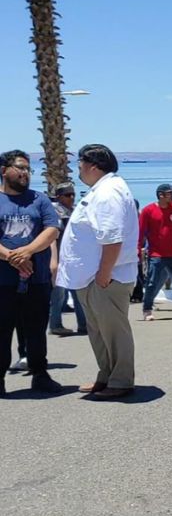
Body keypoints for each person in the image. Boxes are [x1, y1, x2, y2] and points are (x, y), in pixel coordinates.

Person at [57, 144, 139, 399]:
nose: (78, 169)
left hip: (105, 277)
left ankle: (121, 379)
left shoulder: (108, 192)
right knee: (99, 331)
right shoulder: (102, 190)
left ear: (93, 166)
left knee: (113, 331)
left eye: (80, 164)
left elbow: (112, 237)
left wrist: (104, 272)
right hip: (94, 276)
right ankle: (106, 375)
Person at [0, 149, 62, 396]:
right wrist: (11, 257)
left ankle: (40, 374)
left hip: (36, 280)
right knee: (2, 331)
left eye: (28, 169)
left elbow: (52, 229)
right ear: (4, 171)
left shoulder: (39, 199)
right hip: (3, 281)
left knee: (36, 329)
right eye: (20, 167)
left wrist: (26, 252)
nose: (25, 173)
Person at [138, 183, 172, 320]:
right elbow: (141, 232)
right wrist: (138, 249)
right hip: (156, 254)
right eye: (169, 194)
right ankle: (147, 309)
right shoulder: (148, 210)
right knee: (152, 282)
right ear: (161, 195)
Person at [48, 181, 87, 336]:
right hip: (60, 259)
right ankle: (55, 325)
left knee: (78, 293)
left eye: (73, 194)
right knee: (58, 295)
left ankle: (84, 325)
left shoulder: (75, 210)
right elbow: (53, 237)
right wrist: (54, 262)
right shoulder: (55, 212)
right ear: (58, 197)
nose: (71, 197)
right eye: (67, 195)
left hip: (74, 259)